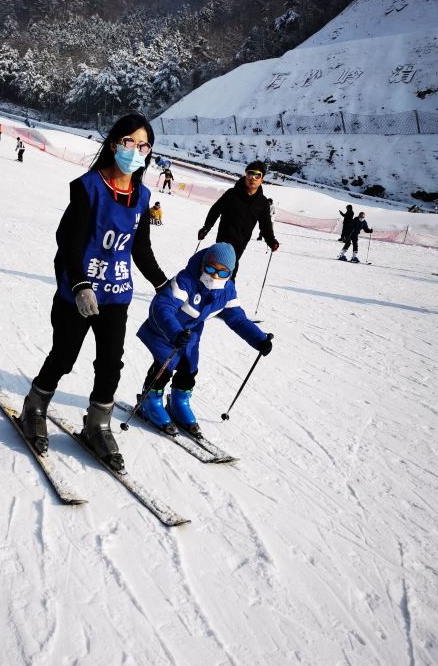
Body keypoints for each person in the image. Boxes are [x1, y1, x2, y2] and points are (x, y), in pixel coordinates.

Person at [18, 112, 168, 471]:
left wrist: (163, 284)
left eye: (144, 146)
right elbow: (68, 242)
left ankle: (97, 424)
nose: (136, 150)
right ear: (115, 145)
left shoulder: (142, 196)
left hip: (116, 293)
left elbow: (140, 248)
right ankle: (34, 407)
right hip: (79, 293)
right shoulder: (90, 187)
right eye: (130, 142)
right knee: (64, 356)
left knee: (111, 363)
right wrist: (80, 284)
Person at [136, 242, 272, 436]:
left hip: (190, 335)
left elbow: (237, 319)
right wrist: (174, 332)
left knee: (189, 368)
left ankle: (178, 403)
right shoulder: (186, 280)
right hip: (164, 329)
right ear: (203, 265)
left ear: (230, 273)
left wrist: (259, 339)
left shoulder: (227, 291)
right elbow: (162, 306)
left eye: (222, 272)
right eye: (210, 269)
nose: (215, 276)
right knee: (164, 366)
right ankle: (150, 402)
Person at [198, 160, 278, 278]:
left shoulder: (262, 203)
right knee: (219, 267)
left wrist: (271, 241)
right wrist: (206, 227)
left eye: (257, 175)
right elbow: (216, 210)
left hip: (241, 243)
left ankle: (225, 288)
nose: (252, 178)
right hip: (224, 239)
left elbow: (265, 225)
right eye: (250, 174)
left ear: (262, 179)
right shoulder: (232, 194)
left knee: (229, 270)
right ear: (245, 175)